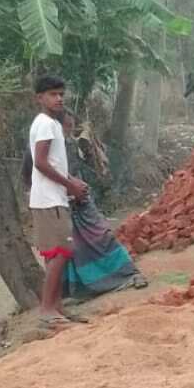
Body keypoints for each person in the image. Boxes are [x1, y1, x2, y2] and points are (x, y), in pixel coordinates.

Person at [25, 112, 148, 299]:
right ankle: (77, 290)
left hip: (81, 201)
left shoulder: (72, 145)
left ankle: (127, 274)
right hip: (58, 203)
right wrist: (63, 188)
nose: (69, 132)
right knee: (70, 251)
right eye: (66, 127)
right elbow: (32, 175)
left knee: (103, 237)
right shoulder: (39, 148)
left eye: (71, 127)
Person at [27, 75, 88, 327]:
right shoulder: (44, 124)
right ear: (40, 98)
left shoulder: (51, 124)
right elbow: (40, 163)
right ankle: (47, 310)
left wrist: (72, 181)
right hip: (49, 199)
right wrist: (69, 185)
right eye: (53, 94)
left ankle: (57, 308)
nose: (59, 98)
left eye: (61, 93)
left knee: (58, 254)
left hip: (54, 197)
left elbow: (52, 163)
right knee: (60, 253)